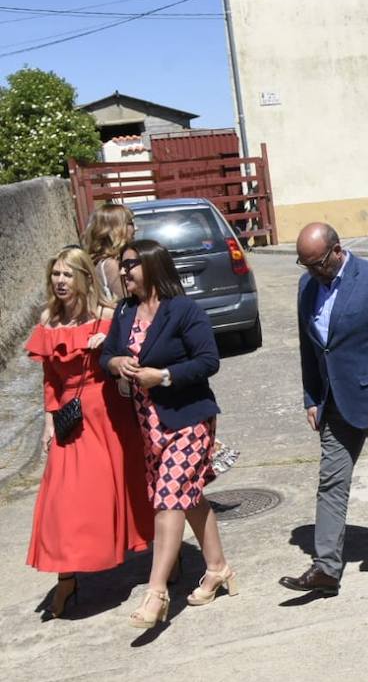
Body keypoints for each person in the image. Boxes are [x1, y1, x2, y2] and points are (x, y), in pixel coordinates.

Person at [102, 240, 236, 627]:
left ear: (152, 266)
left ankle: (156, 591)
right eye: (123, 265)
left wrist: (161, 376)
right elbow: (106, 354)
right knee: (188, 496)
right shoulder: (126, 312)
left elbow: (209, 360)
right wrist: (117, 363)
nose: (124, 272)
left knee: (169, 497)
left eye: (131, 265)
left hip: (189, 418)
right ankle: (218, 567)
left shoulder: (184, 310)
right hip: (149, 424)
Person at [281, 222, 368, 598]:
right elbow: (311, 348)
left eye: (318, 262)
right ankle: (326, 567)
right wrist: (311, 396)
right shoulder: (307, 286)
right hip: (334, 404)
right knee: (331, 482)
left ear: (337, 250)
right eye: (305, 265)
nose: (312, 271)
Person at [26, 247, 153, 618]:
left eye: (67, 274)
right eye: (56, 275)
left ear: (83, 277)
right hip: (70, 419)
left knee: (129, 486)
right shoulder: (49, 319)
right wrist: (49, 422)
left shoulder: (110, 315)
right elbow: (50, 377)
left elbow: (138, 353)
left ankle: (165, 552)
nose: (60, 281)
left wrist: (110, 346)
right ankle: (67, 578)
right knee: (61, 501)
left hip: (109, 413)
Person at [82, 202, 136, 300]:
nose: (136, 228)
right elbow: (127, 305)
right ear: (116, 228)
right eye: (130, 223)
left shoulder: (99, 261)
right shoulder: (110, 265)